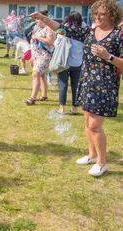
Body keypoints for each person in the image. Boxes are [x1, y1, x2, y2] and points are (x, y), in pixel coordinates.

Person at [30, 0, 123, 176]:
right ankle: (92, 155)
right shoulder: (89, 32)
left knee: (95, 125)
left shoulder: (119, 36)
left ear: (112, 14)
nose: (97, 17)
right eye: (95, 13)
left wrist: (108, 56)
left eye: (101, 14)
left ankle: (102, 163)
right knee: (88, 122)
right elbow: (63, 28)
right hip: (87, 81)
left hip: (105, 85)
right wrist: (44, 18)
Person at [55, 12, 84, 115]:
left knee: (63, 84)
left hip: (64, 62)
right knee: (76, 85)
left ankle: (62, 109)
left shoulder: (65, 29)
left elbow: (57, 43)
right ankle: (75, 109)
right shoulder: (84, 29)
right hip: (78, 62)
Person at [25, 10, 55, 105]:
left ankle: (32, 98)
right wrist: (32, 57)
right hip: (38, 56)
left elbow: (50, 41)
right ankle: (44, 95)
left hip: (45, 56)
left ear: (44, 19)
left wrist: (37, 37)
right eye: (35, 19)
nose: (36, 21)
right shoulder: (39, 29)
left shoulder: (49, 28)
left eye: (38, 19)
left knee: (35, 74)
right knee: (41, 76)